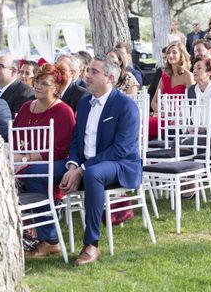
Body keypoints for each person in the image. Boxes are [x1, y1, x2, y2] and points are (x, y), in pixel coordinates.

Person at [59, 54, 142, 266]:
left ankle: (91, 245)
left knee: (94, 174)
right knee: (46, 171)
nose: (87, 75)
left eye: (94, 72)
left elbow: (121, 149)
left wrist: (83, 169)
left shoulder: (125, 105)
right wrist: (72, 165)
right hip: (86, 163)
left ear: (110, 78)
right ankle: (47, 238)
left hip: (121, 165)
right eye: (88, 71)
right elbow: (77, 140)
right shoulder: (85, 103)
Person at [17, 63, 75, 258]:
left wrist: (27, 157)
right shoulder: (26, 107)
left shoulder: (63, 111)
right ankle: (35, 234)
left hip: (59, 162)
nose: (38, 86)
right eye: (37, 82)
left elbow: (61, 150)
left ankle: (49, 239)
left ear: (56, 88)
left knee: (33, 173)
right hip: (25, 161)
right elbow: (17, 139)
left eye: (44, 83)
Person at [149, 41, 194, 139]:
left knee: (143, 125)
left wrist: (179, 116)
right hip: (164, 116)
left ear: (182, 55)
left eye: (174, 52)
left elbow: (193, 103)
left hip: (181, 119)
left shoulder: (188, 76)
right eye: (168, 53)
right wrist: (163, 113)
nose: (170, 55)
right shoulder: (165, 76)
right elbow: (154, 102)